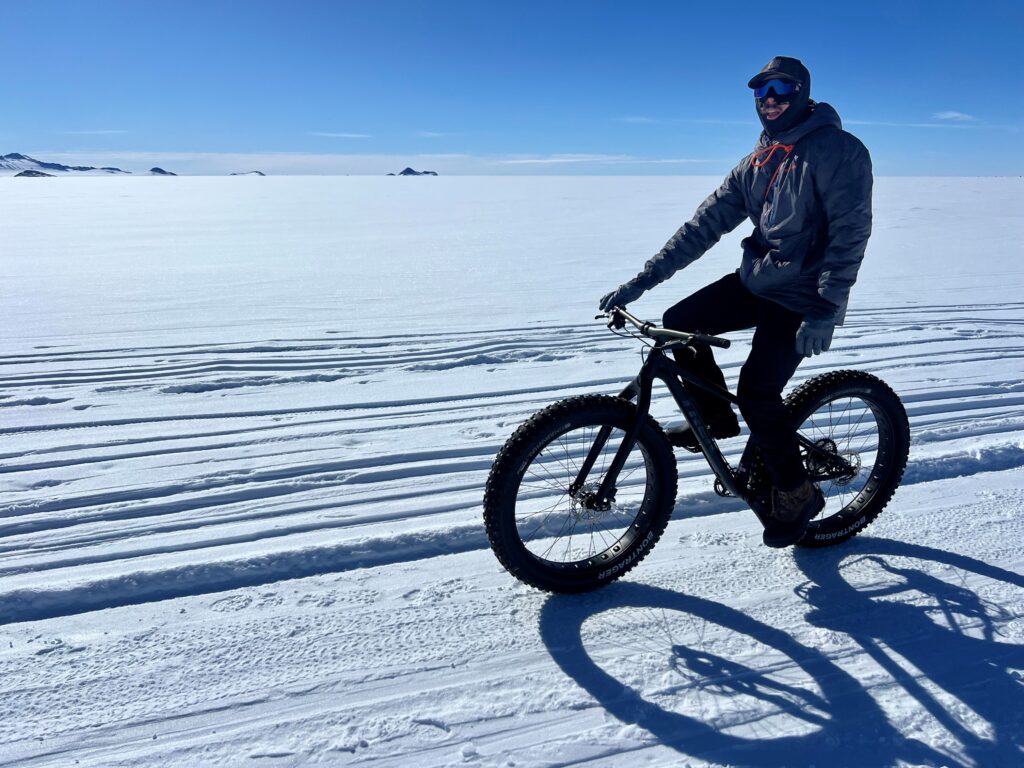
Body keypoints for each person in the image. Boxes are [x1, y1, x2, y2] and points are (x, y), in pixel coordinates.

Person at [598, 56, 873, 548]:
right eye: (761, 90)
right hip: (759, 280)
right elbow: (702, 227)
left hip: (803, 294)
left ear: (802, 92)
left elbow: (850, 234)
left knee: (757, 392)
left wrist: (825, 309)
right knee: (681, 321)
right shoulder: (758, 162)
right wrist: (640, 283)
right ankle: (716, 420)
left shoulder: (838, 151)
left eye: (781, 87)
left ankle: (796, 491)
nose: (770, 98)